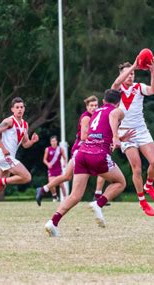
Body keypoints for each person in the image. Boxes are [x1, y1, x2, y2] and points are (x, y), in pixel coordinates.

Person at [44, 89, 135, 237]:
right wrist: (116, 136)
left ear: (104, 101)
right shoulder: (117, 111)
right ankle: (98, 203)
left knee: (75, 195)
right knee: (120, 182)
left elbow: (99, 133)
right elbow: (112, 116)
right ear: (118, 103)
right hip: (97, 154)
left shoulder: (96, 112)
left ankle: (53, 222)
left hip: (82, 154)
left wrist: (118, 138)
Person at [110, 56, 154, 216]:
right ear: (123, 74)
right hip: (125, 133)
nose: (131, 76)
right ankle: (142, 202)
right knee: (137, 169)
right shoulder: (117, 90)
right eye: (128, 74)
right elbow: (117, 83)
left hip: (141, 130)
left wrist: (152, 71)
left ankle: (149, 185)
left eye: (132, 74)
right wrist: (133, 66)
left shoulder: (139, 87)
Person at [35, 95, 107, 206]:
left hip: (86, 149)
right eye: (91, 105)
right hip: (81, 149)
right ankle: (97, 196)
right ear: (87, 107)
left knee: (67, 176)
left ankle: (43, 189)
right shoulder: (86, 118)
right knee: (102, 167)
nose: (94, 108)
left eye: (96, 105)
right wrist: (100, 138)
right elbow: (83, 137)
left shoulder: (96, 116)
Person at [0, 97, 39, 216]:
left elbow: (25, 144)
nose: (19, 109)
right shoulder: (9, 121)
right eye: (17, 107)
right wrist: (4, 149)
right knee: (27, 177)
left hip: (7, 157)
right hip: (5, 156)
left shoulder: (25, 125)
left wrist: (32, 141)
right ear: (12, 109)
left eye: (21, 107)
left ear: (24, 109)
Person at [43, 135, 67, 202]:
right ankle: (55, 196)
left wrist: (65, 163)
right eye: (52, 141)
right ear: (50, 142)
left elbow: (65, 158)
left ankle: (65, 197)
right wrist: (48, 164)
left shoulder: (60, 149)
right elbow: (44, 159)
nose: (53, 142)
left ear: (57, 141)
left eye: (55, 141)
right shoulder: (48, 149)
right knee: (51, 184)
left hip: (58, 170)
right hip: (51, 170)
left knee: (61, 184)